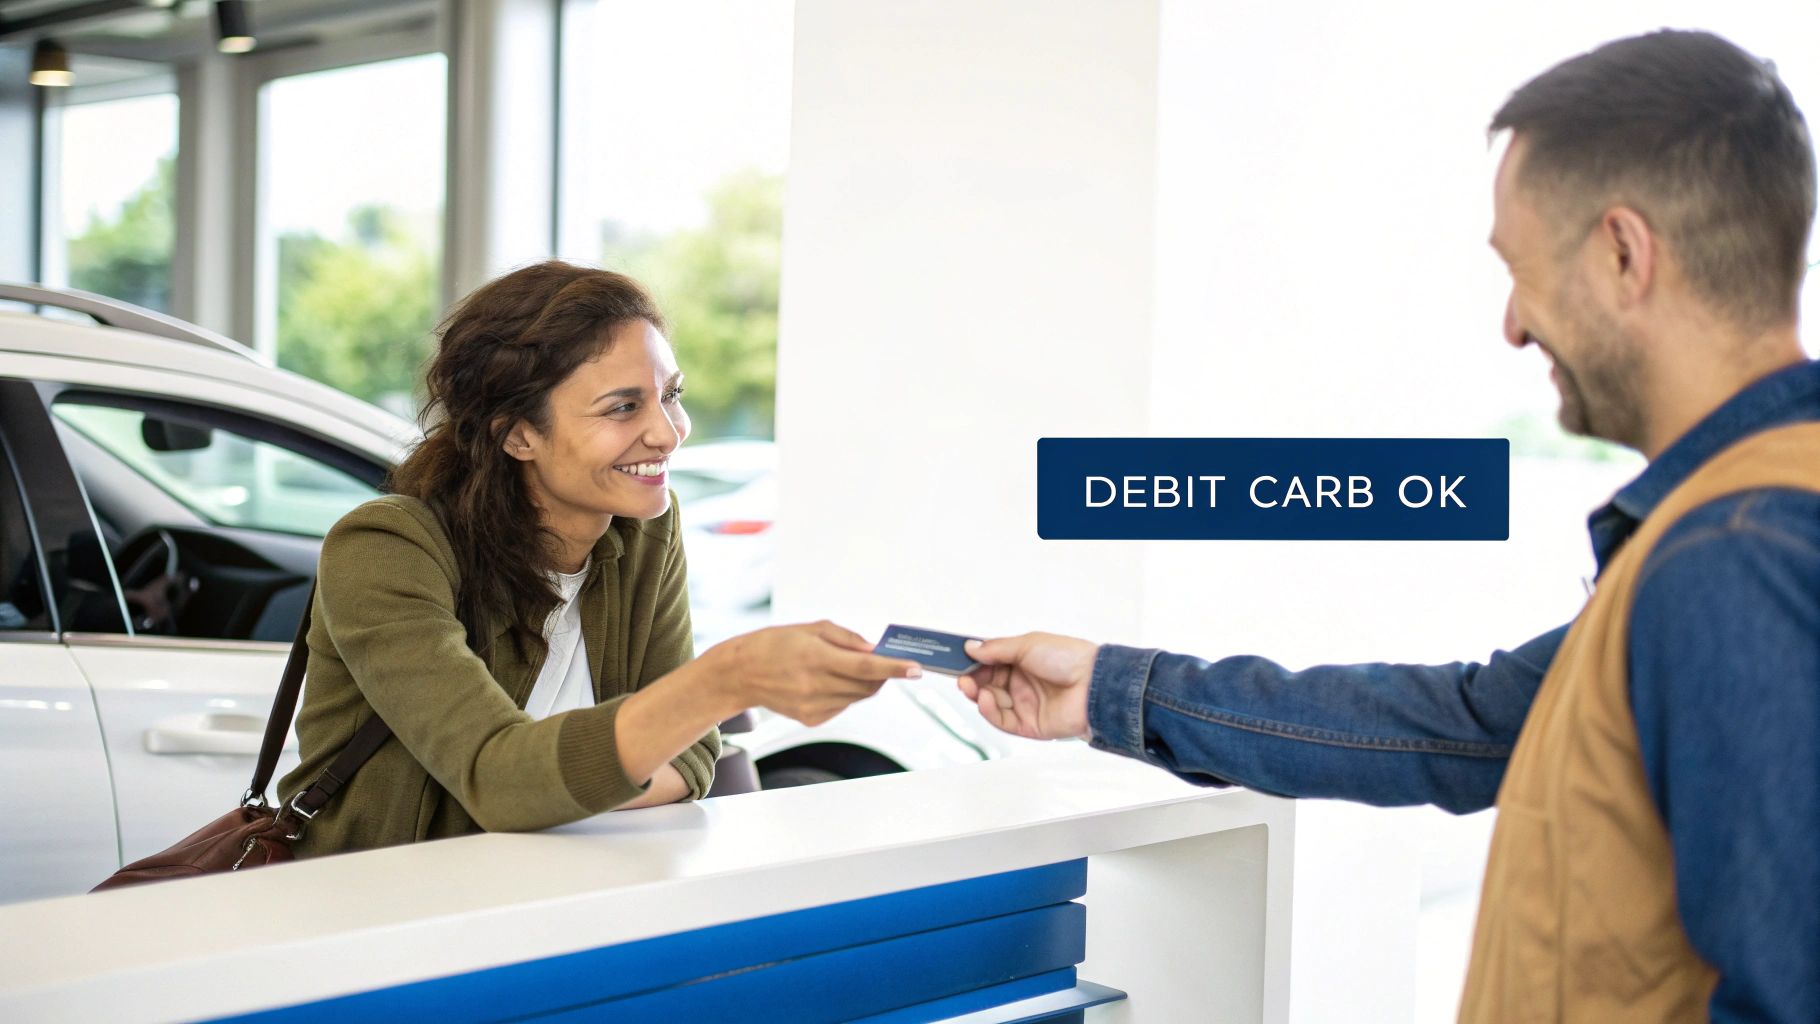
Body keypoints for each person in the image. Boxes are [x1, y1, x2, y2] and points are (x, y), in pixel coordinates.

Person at [958, 30, 1819, 1023]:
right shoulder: (1734, 520)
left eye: (1521, 267)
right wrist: (1110, 687)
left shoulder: (1735, 553)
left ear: (1623, 253)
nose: (1511, 321)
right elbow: (1460, 726)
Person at [280, 261, 920, 855]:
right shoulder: (386, 549)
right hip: (382, 922)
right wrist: (726, 680)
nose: (668, 432)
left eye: (670, 393)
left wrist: (566, 786)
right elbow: (497, 779)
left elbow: (696, 755)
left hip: (565, 906)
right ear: (518, 434)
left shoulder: (643, 531)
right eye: (622, 407)